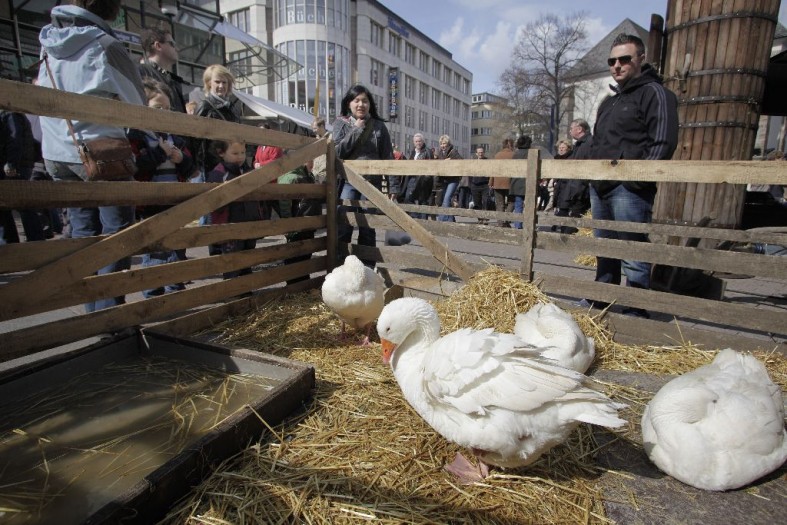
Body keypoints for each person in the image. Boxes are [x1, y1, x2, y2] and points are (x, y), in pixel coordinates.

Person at [37, 0, 145, 313]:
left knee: (82, 234)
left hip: (58, 151)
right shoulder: (105, 44)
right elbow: (138, 103)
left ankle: (92, 314)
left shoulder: (47, 45)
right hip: (101, 152)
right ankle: (110, 319)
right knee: (117, 235)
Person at [588, 33, 679, 318]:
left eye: (624, 59)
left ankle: (636, 307)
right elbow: (597, 142)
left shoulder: (655, 93)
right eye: (612, 61)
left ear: (641, 59)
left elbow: (663, 141)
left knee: (632, 248)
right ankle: (603, 298)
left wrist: (637, 180)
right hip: (601, 185)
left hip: (628, 188)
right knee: (604, 246)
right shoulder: (610, 101)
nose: (617, 65)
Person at [128, 79, 194, 298]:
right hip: (151, 202)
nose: (164, 113)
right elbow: (135, 167)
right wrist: (160, 153)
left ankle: (175, 290)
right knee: (155, 247)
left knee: (177, 245)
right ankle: (153, 292)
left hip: (175, 200)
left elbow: (190, 168)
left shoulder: (176, 138)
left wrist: (181, 158)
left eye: (167, 108)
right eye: (158, 108)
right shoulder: (137, 136)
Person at [332, 84, 394, 266]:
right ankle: (341, 268)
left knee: (368, 227)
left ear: (370, 104)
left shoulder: (379, 127)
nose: (361, 104)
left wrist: (393, 186)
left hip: (372, 184)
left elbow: (388, 157)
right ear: (349, 103)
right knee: (344, 224)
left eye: (365, 101)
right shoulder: (341, 124)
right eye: (356, 100)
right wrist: (356, 130)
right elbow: (337, 152)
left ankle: (367, 269)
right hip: (348, 181)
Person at [205, 140, 261, 280]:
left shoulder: (248, 171)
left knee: (247, 260)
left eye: (243, 152)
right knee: (232, 263)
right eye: (235, 153)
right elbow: (214, 203)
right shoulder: (218, 174)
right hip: (230, 226)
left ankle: (246, 289)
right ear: (221, 153)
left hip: (248, 223)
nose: (240, 157)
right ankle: (233, 288)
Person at [1, 110, 47, 243]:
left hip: (16, 166)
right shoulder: (10, 113)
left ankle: (35, 241)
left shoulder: (9, 113)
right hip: (17, 164)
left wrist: (11, 163)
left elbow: (15, 139)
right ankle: (14, 243)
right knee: (13, 207)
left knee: (23, 205)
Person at [277, 159, 323, 284]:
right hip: (298, 223)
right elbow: (284, 203)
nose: (312, 163)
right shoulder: (292, 178)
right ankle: (293, 283)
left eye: (312, 160)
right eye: (308, 160)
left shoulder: (308, 176)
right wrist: (288, 223)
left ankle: (303, 281)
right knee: (295, 253)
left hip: (309, 222)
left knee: (306, 252)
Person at [194, 64, 241, 177]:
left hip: (232, 164)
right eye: (217, 82)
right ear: (209, 83)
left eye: (224, 82)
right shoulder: (204, 106)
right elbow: (195, 140)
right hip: (211, 166)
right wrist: (198, 167)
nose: (221, 86)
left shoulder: (232, 107)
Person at [138, 27, 187, 113]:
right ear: (158, 46)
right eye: (172, 44)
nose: (177, 49)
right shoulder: (140, 72)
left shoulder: (172, 80)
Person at [395, 133, 433, 219]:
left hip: (423, 179)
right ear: (414, 142)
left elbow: (430, 166)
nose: (418, 143)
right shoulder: (413, 152)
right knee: (408, 198)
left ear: (423, 142)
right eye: (416, 141)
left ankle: (423, 221)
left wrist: (426, 179)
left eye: (419, 141)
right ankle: (416, 218)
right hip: (412, 178)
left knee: (422, 200)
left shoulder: (427, 151)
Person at [434, 134, 462, 221]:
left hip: (453, 179)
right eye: (441, 144)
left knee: (447, 198)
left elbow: (461, 161)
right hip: (444, 179)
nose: (442, 145)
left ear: (448, 144)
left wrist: (451, 161)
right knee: (444, 199)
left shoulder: (453, 152)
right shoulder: (439, 153)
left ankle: (441, 220)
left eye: (444, 143)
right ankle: (450, 220)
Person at [510, 135, 533, 229]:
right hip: (529, 183)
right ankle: (529, 226)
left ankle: (518, 226)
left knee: (518, 205)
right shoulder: (531, 154)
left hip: (517, 183)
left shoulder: (515, 155)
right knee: (530, 206)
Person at [491, 138, 514, 227]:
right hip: (510, 183)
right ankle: (506, 220)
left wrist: (491, 182)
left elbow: (493, 170)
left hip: (497, 182)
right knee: (512, 202)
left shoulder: (497, 155)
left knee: (499, 204)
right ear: (511, 145)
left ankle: (500, 223)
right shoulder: (514, 155)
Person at [469, 146, 491, 223]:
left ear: (484, 153)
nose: (480, 154)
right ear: (476, 153)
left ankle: (485, 218)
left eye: (482, 152)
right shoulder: (473, 162)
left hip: (485, 184)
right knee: (477, 203)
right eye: (479, 152)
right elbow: (469, 173)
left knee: (485, 201)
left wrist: (490, 183)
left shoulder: (488, 161)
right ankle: (480, 219)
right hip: (475, 184)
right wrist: (470, 184)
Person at [310, 116, 331, 183]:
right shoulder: (315, 140)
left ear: (322, 126)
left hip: (325, 173)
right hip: (315, 173)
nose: (313, 131)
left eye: (315, 128)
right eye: (313, 129)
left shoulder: (331, 138)